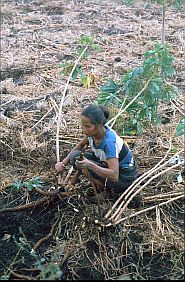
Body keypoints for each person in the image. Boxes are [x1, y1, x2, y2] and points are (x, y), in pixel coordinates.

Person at [55, 104, 138, 202]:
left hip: (122, 179)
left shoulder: (109, 143)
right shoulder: (93, 134)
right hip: (107, 166)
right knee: (75, 156)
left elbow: (114, 176)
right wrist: (63, 163)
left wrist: (90, 165)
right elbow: (80, 146)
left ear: (99, 125)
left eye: (87, 126)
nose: (83, 129)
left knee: (87, 167)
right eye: (83, 125)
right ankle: (99, 184)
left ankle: (108, 192)